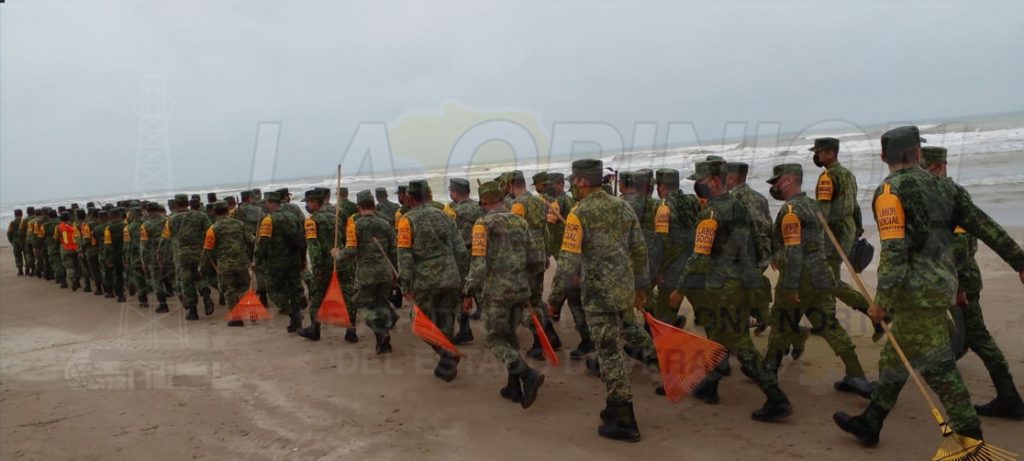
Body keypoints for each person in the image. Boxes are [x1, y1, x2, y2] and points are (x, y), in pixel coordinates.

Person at [834, 126, 1024, 447]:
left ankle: (971, 438)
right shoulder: (946, 187)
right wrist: (1018, 260)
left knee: (938, 369)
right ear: (918, 153)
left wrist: (881, 302)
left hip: (915, 295)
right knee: (895, 357)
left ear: (883, 157)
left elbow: (894, 252)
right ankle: (871, 421)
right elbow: (984, 225)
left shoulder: (890, 192)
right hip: (942, 285)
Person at [670, 160, 793, 422]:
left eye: (701, 180)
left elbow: (699, 256)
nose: (697, 185)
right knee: (718, 336)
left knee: (739, 342)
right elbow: (757, 241)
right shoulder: (739, 205)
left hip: (723, 287)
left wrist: (680, 289)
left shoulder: (712, 213)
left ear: (715, 180)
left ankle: (776, 398)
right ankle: (711, 385)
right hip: (743, 281)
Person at [549, 159, 657, 442]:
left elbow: (568, 262)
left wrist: (555, 300)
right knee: (631, 335)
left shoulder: (578, 213)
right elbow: (639, 250)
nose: (572, 185)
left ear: (583, 181)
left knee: (609, 354)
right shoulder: (623, 207)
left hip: (598, 297)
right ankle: (614, 405)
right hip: (623, 290)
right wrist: (641, 288)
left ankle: (625, 419)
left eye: (574, 180)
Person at [920, 146, 1023, 420]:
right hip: (949, 281)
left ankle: (1009, 398)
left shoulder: (951, 197)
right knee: (960, 331)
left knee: (979, 337)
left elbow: (961, 248)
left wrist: (958, 288)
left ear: (939, 167)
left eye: (926, 170)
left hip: (961, 282)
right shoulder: (938, 196)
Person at [763, 164, 871, 396]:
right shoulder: (813, 205)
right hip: (820, 273)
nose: (774, 187)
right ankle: (856, 375)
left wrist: (790, 286)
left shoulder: (790, 211)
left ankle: (769, 375)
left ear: (789, 180)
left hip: (799, 276)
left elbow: (794, 251)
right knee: (829, 325)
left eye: (777, 182)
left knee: (781, 324)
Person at [463, 181, 546, 408]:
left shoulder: (482, 225)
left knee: (494, 339)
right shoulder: (520, 221)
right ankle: (513, 386)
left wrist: (468, 291)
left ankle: (527, 374)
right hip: (520, 290)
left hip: (496, 292)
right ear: (501, 199)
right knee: (509, 335)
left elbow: (478, 266)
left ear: (483, 202)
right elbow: (536, 260)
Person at [397, 180, 468, 382]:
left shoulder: (406, 221)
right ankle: (446, 363)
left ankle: (447, 355)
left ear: (410, 198)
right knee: (446, 322)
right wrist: (463, 278)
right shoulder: (444, 214)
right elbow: (461, 250)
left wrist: (404, 284)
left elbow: (404, 256)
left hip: (425, 280)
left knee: (419, 323)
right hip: (450, 276)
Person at [810, 137, 879, 340]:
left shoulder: (827, 177)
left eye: (819, 152)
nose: (816, 156)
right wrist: (857, 228)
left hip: (834, 233)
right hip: (847, 230)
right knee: (829, 275)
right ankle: (827, 320)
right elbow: (855, 206)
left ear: (830, 153)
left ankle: (870, 311)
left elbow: (822, 213)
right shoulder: (848, 174)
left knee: (830, 280)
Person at [333, 190, 398, 354]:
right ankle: (383, 343)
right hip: (385, 272)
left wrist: (337, 254)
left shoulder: (355, 225)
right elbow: (394, 250)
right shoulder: (385, 223)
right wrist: (396, 273)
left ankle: (381, 333)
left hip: (366, 275)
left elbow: (351, 250)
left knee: (364, 307)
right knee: (381, 305)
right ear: (374, 205)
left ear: (358, 207)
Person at [509, 170, 561, 359]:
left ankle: (540, 343)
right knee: (536, 300)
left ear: (511, 185)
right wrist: (546, 254)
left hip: (525, 260)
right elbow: (545, 230)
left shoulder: (518, 204)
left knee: (527, 303)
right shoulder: (540, 201)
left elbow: (515, 235)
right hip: (539, 257)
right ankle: (551, 338)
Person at [725, 162, 773, 334]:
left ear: (732, 177)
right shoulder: (761, 198)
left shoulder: (731, 200)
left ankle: (757, 319)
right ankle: (762, 316)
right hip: (764, 251)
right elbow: (770, 226)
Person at [651, 169, 700, 325]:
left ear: (661, 186)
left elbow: (660, 242)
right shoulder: (693, 200)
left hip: (673, 268)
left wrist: (657, 270)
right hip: (695, 264)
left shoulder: (662, 206)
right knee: (705, 309)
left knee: (663, 316)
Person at [254, 191, 308, 332]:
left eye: (267, 203)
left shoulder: (269, 220)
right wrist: (303, 259)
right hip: (294, 260)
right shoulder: (293, 216)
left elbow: (263, 243)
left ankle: (292, 312)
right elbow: (302, 239)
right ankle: (295, 321)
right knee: (294, 289)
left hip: (276, 261)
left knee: (272, 289)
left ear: (271, 203)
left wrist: (257, 261)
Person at [202, 201, 253, 327]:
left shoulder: (213, 229)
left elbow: (208, 250)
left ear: (214, 212)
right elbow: (251, 240)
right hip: (242, 262)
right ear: (227, 210)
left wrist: (202, 267)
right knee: (244, 287)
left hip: (225, 265)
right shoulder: (239, 224)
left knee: (229, 290)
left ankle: (236, 318)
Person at [164, 194, 214, 320]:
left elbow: (165, 239)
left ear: (175, 204)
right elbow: (211, 233)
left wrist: (161, 254)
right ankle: (206, 295)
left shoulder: (171, 220)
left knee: (186, 282)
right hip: (199, 253)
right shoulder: (201, 216)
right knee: (199, 276)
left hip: (181, 256)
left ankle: (193, 311)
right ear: (188, 203)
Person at [297, 189, 337, 341]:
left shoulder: (312, 221)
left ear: (314, 203)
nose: (307, 205)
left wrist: (316, 268)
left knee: (317, 296)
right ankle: (351, 330)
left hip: (323, 265)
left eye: (308, 202)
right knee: (345, 294)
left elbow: (314, 248)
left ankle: (315, 329)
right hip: (338, 261)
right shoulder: (335, 217)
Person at [448, 178, 484, 343]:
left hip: (462, 257)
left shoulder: (454, 212)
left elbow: (451, 238)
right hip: (481, 253)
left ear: (455, 193)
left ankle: (464, 330)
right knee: (482, 290)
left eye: (451, 191)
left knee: (460, 294)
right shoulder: (480, 207)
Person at [140, 203, 173, 312]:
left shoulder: (145, 225)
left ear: (147, 211)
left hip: (154, 256)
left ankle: (163, 305)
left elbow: (143, 246)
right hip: (169, 253)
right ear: (158, 210)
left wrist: (144, 262)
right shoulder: (168, 220)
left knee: (157, 281)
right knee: (173, 277)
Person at [102, 208, 127, 301]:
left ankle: (121, 295)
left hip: (115, 255)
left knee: (118, 275)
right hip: (126, 253)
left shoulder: (108, 228)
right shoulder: (126, 225)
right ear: (119, 215)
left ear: (110, 216)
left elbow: (108, 245)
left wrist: (108, 258)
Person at [56, 212, 81, 291]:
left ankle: (74, 280)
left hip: (65, 248)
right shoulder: (74, 225)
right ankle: (78, 280)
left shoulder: (59, 227)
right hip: (76, 247)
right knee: (76, 265)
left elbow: (56, 237)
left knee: (69, 266)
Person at [7, 209, 24, 276]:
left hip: (15, 241)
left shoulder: (12, 223)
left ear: (15, 215)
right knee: (27, 254)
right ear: (22, 214)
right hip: (24, 240)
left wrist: (11, 241)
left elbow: (9, 233)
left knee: (17, 255)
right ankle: (29, 269)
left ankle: (20, 270)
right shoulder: (25, 221)